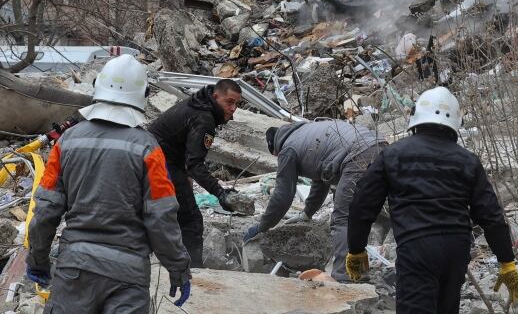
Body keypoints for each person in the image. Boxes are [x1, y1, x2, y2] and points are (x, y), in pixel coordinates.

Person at [26, 54, 191, 313]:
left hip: (74, 270)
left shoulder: (66, 142)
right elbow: (161, 217)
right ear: (143, 94)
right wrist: (178, 267)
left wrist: (38, 259)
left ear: (97, 85)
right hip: (128, 277)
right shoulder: (148, 148)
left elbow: (46, 210)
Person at [345, 87, 518, 313]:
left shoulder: (393, 155)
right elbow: (490, 215)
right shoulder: (467, 161)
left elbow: (363, 204)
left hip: (417, 248)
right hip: (457, 250)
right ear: (455, 122)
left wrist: (356, 248)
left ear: (416, 117)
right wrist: (506, 261)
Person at [243, 120, 385, 281]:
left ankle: (346, 276)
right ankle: (360, 271)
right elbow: (322, 179)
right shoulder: (306, 134)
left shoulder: (287, 149)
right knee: (362, 215)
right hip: (379, 145)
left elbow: (283, 195)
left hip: (358, 154)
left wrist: (262, 226)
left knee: (343, 218)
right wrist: (307, 213)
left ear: (275, 149)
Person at [147, 79, 243, 268]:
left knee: (171, 214)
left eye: (237, 104)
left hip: (154, 158)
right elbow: (196, 165)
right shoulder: (204, 118)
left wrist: (185, 177)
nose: (233, 109)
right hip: (160, 163)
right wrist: (220, 193)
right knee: (191, 220)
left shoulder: (198, 104)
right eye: (229, 102)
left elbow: (183, 149)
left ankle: (171, 261)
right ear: (216, 97)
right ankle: (194, 273)